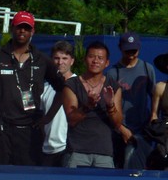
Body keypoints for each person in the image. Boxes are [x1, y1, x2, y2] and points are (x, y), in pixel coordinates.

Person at [0, 11, 65, 166]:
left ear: (32, 31)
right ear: (12, 28)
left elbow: (62, 88)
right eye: (19, 27)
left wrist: (48, 118)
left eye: (26, 28)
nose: (22, 31)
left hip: (29, 131)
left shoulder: (41, 60)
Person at [63, 41, 123, 168]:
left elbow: (117, 123)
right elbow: (71, 120)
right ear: (85, 60)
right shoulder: (72, 85)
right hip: (77, 151)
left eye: (100, 58)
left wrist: (110, 105)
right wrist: (87, 106)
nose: (95, 61)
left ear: (107, 63)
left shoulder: (114, 87)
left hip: (104, 152)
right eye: (91, 56)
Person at [106, 32, 156, 169]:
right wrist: (121, 128)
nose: (131, 54)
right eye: (128, 50)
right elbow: (108, 105)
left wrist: (153, 119)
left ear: (139, 48)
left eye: (134, 50)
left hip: (142, 130)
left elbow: (154, 97)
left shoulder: (147, 69)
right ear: (120, 48)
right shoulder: (113, 73)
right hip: (119, 130)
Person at [40, 41, 76, 167]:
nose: (60, 62)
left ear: (72, 61)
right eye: (56, 58)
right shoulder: (44, 88)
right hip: (47, 149)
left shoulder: (80, 86)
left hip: (69, 150)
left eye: (65, 58)